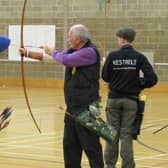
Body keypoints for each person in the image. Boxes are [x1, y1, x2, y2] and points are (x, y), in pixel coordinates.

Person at [19, 24, 104, 168]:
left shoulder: (89, 52)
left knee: (92, 149)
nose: (68, 39)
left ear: (78, 39)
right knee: (70, 149)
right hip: (71, 111)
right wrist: (27, 53)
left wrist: (53, 51)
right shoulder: (72, 51)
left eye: (70, 36)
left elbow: (65, 59)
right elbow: (54, 58)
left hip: (88, 110)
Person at [102, 27, 158, 168]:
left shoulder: (112, 56)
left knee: (111, 133)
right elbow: (152, 79)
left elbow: (105, 77)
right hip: (131, 100)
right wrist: (138, 84)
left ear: (121, 39)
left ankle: (109, 165)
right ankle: (127, 165)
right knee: (126, 135)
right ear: (132, 40)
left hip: (114, 100)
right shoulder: (139, 57)